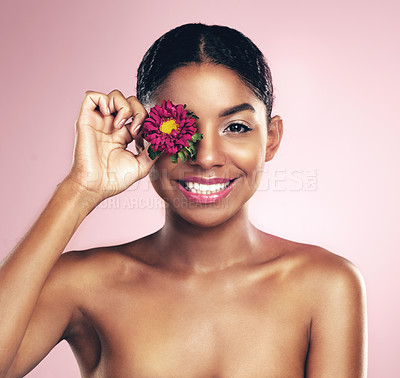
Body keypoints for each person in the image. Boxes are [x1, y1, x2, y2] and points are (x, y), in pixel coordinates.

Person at [0, 23, 367, 377]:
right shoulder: (81, 284)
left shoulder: (326, 285)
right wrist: (80, 188)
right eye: (180, 128)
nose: (206, 157)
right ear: (144, 138)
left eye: (235, 127)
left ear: (271, 139)